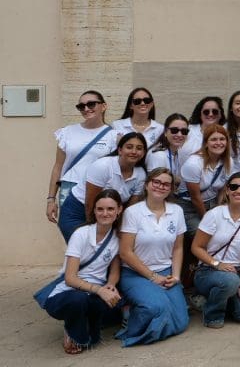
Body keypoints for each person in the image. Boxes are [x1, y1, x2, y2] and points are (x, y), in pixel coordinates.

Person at [43, 188, 123, 354]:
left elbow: (115, 270)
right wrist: (100, 290)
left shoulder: (117, 237)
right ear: (94, 211)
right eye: (100, 209)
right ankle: (72, 331)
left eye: (110, 209)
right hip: (69, 293)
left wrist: (111, 284)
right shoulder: (81, 234)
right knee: (78, 299)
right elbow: (70, 278)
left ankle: (85, 324)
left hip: (94, 293)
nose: (105, 213)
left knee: (118, 303)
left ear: (119, 210)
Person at [116, 168, 189, 346]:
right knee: (158, 308)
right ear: (147, 185)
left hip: (165, 272)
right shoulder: (133, 212)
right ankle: (131, 320)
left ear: (171, 189)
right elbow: (125, 252)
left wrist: (176, 276)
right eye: (156, 182)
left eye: (166, 184)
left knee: (181, 322)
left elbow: (178, 248)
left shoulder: (177, 211)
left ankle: (145, 312)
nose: (160, 186)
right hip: (135, 274)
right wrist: (153, 276)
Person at [190, 173, 240, 328]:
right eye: (234, 187)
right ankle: (212, 316)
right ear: (227, 190)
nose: (239, 191)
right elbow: (196, 247)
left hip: (235, 272)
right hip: (209, 270)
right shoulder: (214, 214)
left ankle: (218, 300)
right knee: (230, 281)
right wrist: (217, 264)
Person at [58, 133, 147, 242]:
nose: (134, 151)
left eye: (139, 148)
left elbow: (130, 210)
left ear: (143, 153)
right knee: (86, 247)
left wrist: (120, 230)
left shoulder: (141, 175)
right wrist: (94, 231)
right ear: (120, 150)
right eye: (129, 147)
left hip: (108, 215)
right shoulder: (103, 166)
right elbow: (90, 204)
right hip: (78, 211)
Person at [47, 91, 117, 225]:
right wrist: (51, 199)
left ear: (103, 106)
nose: (86, 109)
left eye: (91, 104)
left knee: (98, 232)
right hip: (70, 188)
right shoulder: (67, 132)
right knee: (72, 233)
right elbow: (58, 167)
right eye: (81, 106)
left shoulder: (113, 136)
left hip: (99, 189)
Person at [180, 124, 232, 232]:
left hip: (213, 204)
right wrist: (208, 221)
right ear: (206, 143)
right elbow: (195, 198)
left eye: (222, 139)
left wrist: (219, 212)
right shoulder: (194, 164)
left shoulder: (229, 162)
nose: (218, 143)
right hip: (191, 207)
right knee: (205, 233)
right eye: (213, 139)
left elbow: (222, 191)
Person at [145, 114, 191, 201]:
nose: (179, 134)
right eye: (174, 130)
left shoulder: (175, 151)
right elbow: (155, 188)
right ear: (165, 132)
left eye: (184, 131)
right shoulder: (159, 156)